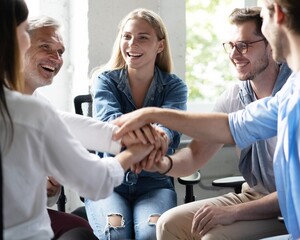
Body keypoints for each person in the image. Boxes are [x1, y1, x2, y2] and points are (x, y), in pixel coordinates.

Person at [112, 0, 300, 239]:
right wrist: (151, 115)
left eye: (245, 44)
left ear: (276, 14)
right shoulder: (299, 85)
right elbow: (231, 125)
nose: (235, 53)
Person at [0, 1, 155, 239]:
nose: (56, 58)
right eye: (23, 34)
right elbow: (95, 181)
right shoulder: (30, 112)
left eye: (60, 52)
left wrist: (125, 137)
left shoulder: (36, 108)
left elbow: (68, 125)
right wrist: (135, 150)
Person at [150, 7, 291, 240]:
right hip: (254, 195)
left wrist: (233, 212)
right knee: (168, 224)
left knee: (213, 237)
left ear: (270, 44)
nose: (234, 54)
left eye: (244, 45)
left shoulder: (294, 94)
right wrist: (160, 162)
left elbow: (298, 192)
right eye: (230, 45)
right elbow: (193, 157)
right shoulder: (233, 97)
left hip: (290, 207)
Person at [85, 8, 188, 240]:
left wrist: (151, 135)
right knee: (117, 233)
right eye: (127, 36)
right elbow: (110, 128)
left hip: (155, 184)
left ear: (159, 45)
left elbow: (168, 131)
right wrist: (153, 135)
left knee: (152, 234)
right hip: (108, 182)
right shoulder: (104, 80)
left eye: (143, 37)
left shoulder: (174, 87)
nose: (132, 43)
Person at [22, 15, 112, 240]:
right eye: (45, 47)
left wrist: (49, 189)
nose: (56, 58)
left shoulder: (41, 105)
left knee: (86, 220)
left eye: (60, 52)